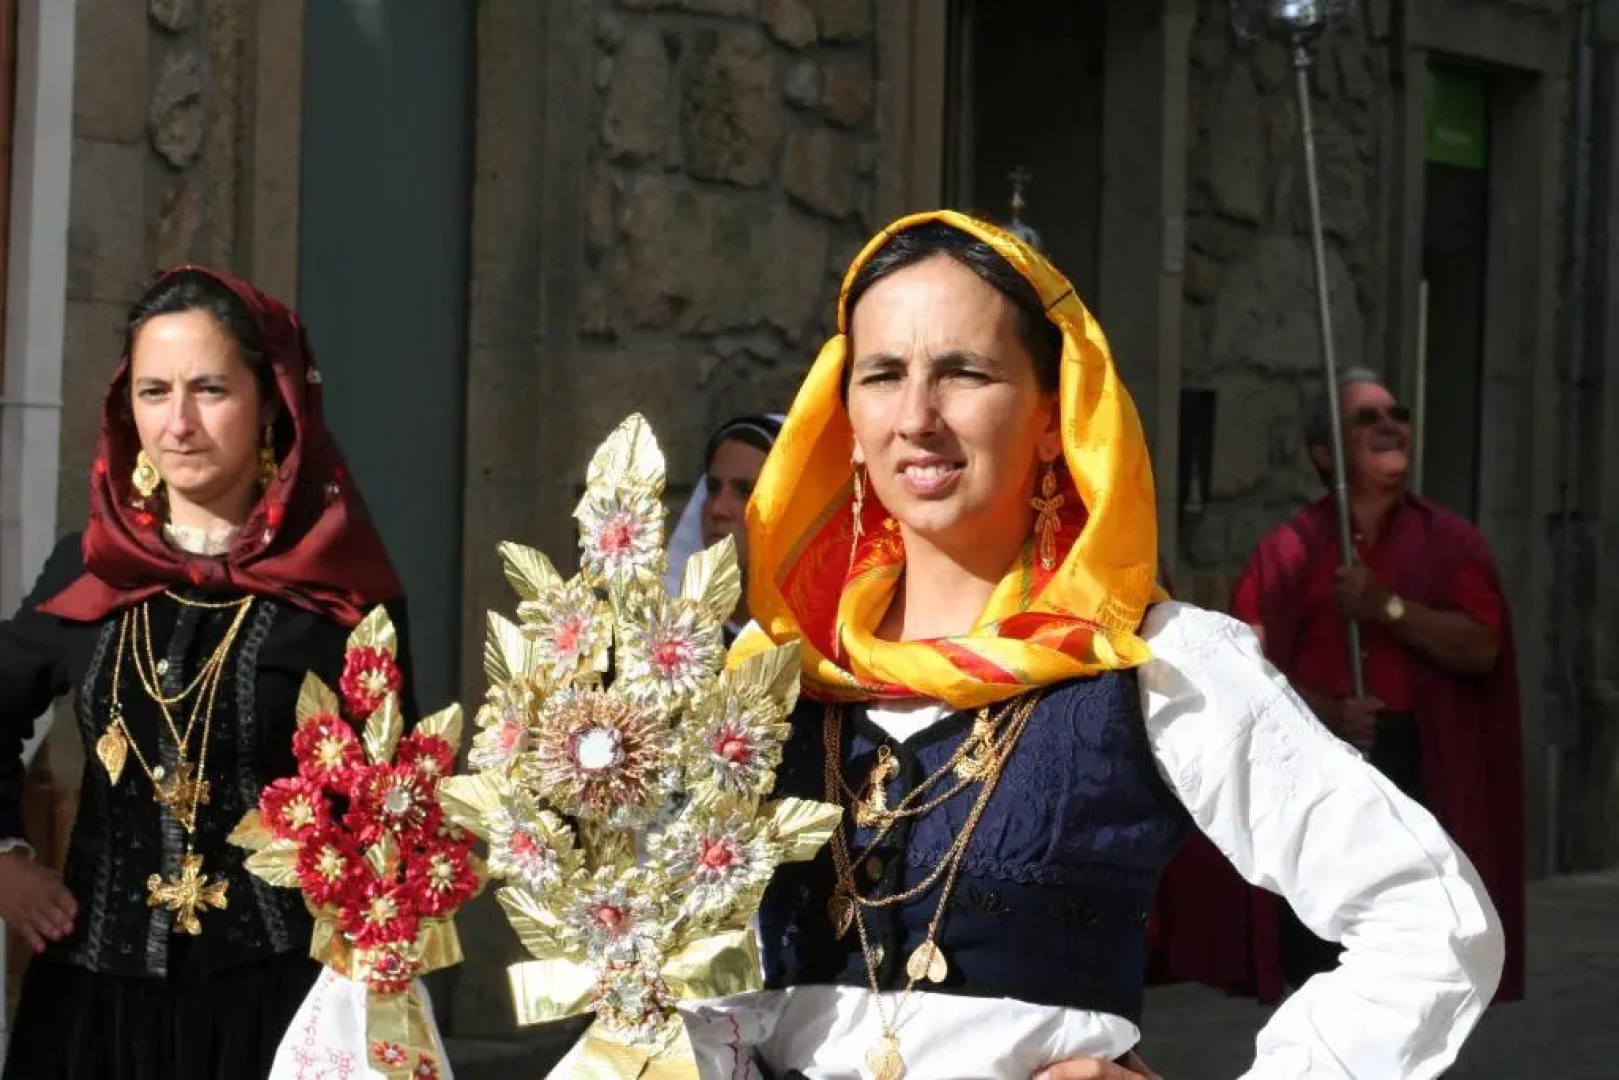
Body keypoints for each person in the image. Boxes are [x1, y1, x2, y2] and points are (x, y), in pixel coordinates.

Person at [706, 212, 1503, 1079]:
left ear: (1055, 416)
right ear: (846, 418)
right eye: (883, 374)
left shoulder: (1152, 663)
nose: (916, 417)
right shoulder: (767, 678)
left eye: (965, 373)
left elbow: (1426, 918)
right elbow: (673, 977)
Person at [0, 267, 413, 1079]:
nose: (179, 423)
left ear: (272, 405)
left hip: (279, 1004)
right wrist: (6, 861)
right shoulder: (88, 572)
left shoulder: (340, 592)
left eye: (210, 390)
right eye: (154, 392)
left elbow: (397, 803)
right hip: (92, 1008)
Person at [1153, 369, 1525, 1005]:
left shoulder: (1454, 544)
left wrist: (1388, 610)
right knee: (1323, 963)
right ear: (1324, 453)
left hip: (1418, 767)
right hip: (1322, 770)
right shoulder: (1285, 552)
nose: (1390, 426)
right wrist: (1325, 711)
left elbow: (1482, 646)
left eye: (1397, 414)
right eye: (1367, 418)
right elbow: (1243, 672)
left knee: (1418, 953)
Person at [664, 413, 785, 642]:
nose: (718, 509)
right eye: (713, 488)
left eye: (746, 491)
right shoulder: (665, 645)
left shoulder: (834, 651)